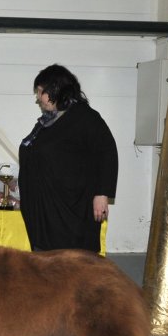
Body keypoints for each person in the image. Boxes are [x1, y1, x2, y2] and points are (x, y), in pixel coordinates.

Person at [18, 64, 118, 253]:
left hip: (71, 210)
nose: (38, 98)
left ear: (55, 90)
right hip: (46, 210)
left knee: (70, 264)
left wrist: (102, 194)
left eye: (40, 92)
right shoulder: (47, 121)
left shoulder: (85, 117)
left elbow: (107, 152)